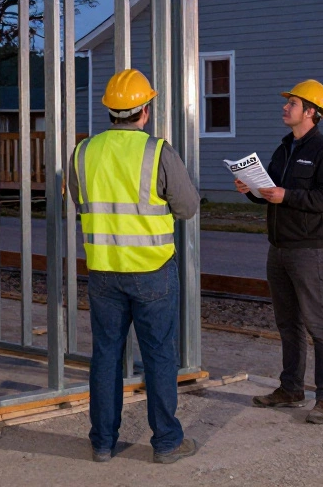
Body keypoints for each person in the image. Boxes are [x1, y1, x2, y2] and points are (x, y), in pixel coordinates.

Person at [69, 68, 201, 464]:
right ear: (144, 109)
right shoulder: (157, 151)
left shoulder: (83, 152)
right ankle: (165, 443)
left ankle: (103, 443)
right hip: (152, 269)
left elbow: (81, 204)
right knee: (159, 354)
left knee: (106, 355)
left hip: (104, 271)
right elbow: (188, 207)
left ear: (110, 110)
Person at [237, 79, 323, 425]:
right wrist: (251, 190)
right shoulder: (284, 149)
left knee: (319, 324)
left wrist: (289, 196)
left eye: (293, 104)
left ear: (311, 112)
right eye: (287, 103)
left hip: (309, 251)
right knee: (287, 323)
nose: (285, 108)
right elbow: (272, 190)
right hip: (279, 248)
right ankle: (291, 389)